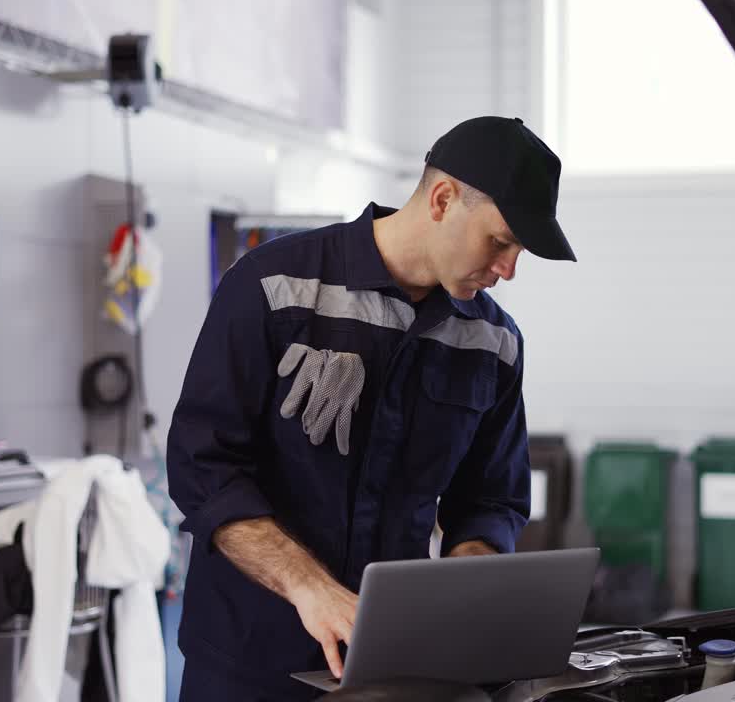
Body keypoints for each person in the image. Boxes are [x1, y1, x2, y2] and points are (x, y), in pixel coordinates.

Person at [167, 115, 576, 701]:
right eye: (501, 240)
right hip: (248, 664)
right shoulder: (273, 286)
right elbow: (203, 467)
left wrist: (469, 575)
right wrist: (311, 588)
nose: (508, 269)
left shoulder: (493, 342)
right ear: (442, 199)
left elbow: (490, 497)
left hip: (391, 667)